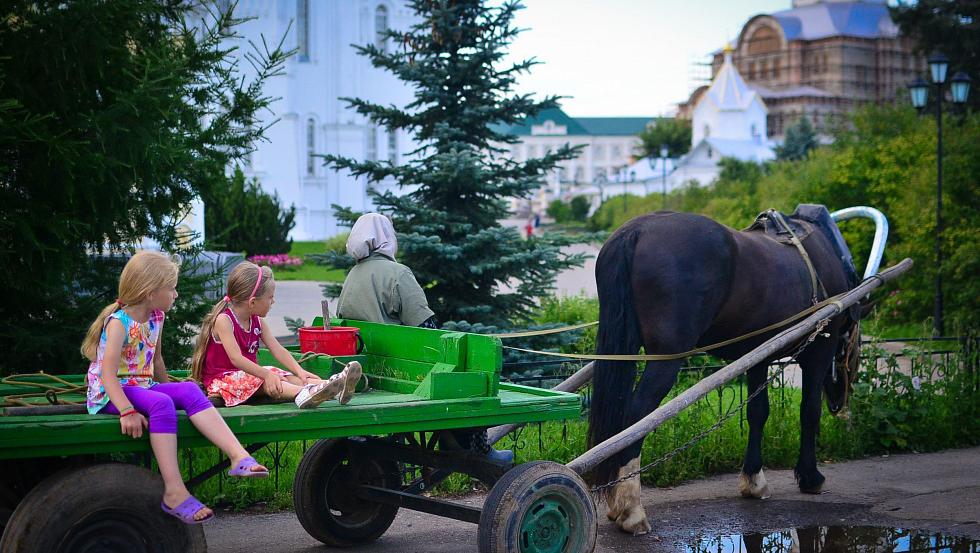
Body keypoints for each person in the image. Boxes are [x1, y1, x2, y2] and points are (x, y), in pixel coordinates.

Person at [82, 251, 268, 525]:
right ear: (149, 292)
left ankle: (238, 457)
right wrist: (126, 411)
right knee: (161, 404)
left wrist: (174, 390)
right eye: (171, 289)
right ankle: (174, 492)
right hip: (110, 393)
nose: (176, 294)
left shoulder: (156, 317)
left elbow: (155, 361)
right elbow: (108, 377)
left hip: (141, 385)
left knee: (190, 391)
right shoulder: (118, 324)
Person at [337, 213, 513, 464]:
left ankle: (454, 441)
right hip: (404, 373)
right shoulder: (397, 273)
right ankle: (477, 449)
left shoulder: (352, 276)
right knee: (470, 378)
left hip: (368, 370)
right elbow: (427, 329)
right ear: (387, 238)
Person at [191, 261, 361, 409]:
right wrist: (266, 375)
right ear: (252, 302)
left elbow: (277, 349)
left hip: (249, 378)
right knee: (268, 376)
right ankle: (303, 394)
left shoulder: (256, 321)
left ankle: (333, 387)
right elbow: (236, 359)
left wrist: (300, 371)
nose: (273, 302)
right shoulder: (224, 320)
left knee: (283, 375)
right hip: (222, 383)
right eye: (270, 297)